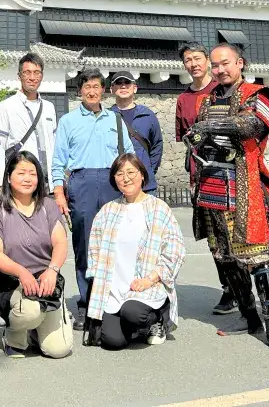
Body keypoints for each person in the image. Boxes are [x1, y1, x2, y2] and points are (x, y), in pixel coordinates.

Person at [183, 44, 269, 353]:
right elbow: (198, 138)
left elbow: (252, 125)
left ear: (240, 63)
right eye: (215, 65)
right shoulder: (207, 100)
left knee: (258, 256)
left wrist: (206, 127)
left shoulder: (260, 94)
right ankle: (249, 317)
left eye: (225, 64)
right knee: (225, 258)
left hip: (243, 187)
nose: (220, 70)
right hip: (209, 188)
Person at [51, 68, 135, 331]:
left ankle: (115, 299)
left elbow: (129, 155)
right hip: (81, 184)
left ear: (103, 90)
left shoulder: (116, 120)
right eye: (86, 86)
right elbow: (57, 161)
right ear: (79, 91)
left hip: (112, 183)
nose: (91, 91)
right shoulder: (68, 121)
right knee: (85, 245)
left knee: (116, 244)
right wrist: (58, 192)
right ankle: (88, 303)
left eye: (96, 86)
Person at [85, 153, 186, 350]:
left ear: (142, 175)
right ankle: (132, 326)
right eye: (120, 173)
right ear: (114, 179)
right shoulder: (107, 211)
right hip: (114, 289)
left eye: (131, 172)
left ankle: (157, 319)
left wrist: (151, 278)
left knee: (133, 313)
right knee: (112, 342)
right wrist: (98, 281)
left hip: (147, 284)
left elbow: (175, 249)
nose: (126, 178)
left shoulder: (158, 208)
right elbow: (94, 251)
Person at [0, 150, 72, 359]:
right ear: (8, 177)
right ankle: (14, 334)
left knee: (58, 350)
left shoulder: (49, 206)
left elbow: (60, 242)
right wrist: (21, 272)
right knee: (30, 312)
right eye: (21, 173)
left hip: (46, 283)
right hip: (12, 282)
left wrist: (52, 270)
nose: (27, 178)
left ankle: (35, 329)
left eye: (33, 174)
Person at [175, 42, 231, 315]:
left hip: (229, 173)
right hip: (201, 175)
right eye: (188, 60)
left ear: (208, 61)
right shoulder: (183, 99)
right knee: (214, 237)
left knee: (240, 234)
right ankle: (229, 289)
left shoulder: (221, 90)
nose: (193, 64)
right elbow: (185, 139)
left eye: (198, 58)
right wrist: (192, 175)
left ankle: (268, 290)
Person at [0, 52, 58, 187]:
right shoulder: (6, 106)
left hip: (47, 182)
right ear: (19, 76)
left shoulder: (49, 107)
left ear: (42, 76)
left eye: (37, 72)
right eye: (27, 72)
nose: (32, 77)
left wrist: (58, 181)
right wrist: (0, 184)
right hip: (21, 183)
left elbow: (53, 145)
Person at [108, 71, 163, 195]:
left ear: (135, 88)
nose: (123, 86)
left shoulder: (148, 115)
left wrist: (146, 170)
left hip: (144, 184)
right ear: (112, 89)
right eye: (118, 83)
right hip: (116, 184)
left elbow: (157, 146)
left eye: (127, 82)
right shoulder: (107, 117)